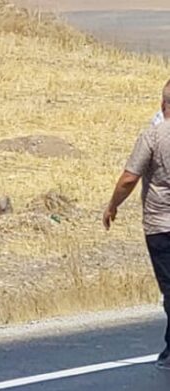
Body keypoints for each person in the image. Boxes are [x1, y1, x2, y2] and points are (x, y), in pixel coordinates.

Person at [102, 79, 170, 370]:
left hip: (161, 223)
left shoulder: (153, 136)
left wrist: (113, 204)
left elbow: (130, 177)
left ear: (162, 104)